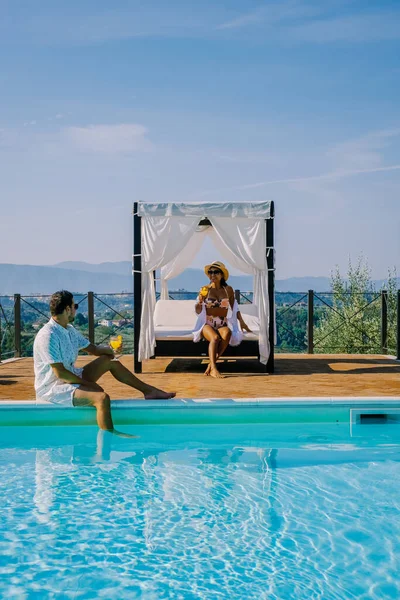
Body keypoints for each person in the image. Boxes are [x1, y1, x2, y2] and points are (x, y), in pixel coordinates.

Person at [33, 290, 176, 436]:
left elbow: (93, 349)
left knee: (110, 361)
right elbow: (60, 373)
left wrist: (111, 350)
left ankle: (149, 391)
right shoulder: (48, 336)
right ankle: (110, 436)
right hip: (53, 388)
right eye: (75, 306)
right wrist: (88, 384)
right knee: (101, 398)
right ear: (67, 309)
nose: (76, 309)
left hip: (70, 378)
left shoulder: (69, 330)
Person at [193, 261, 251, 379]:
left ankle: (211, 365)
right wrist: (200, 301)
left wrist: (242, 322)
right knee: (214, 338)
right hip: (207, 323)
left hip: (222, 323)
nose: (212, 275)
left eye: (216, 272)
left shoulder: (228, 290)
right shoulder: (205, 289)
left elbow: (235, 307)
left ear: (222, 275)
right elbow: (198, 310)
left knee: (227, 333)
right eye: (210, 272)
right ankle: (214, 369)